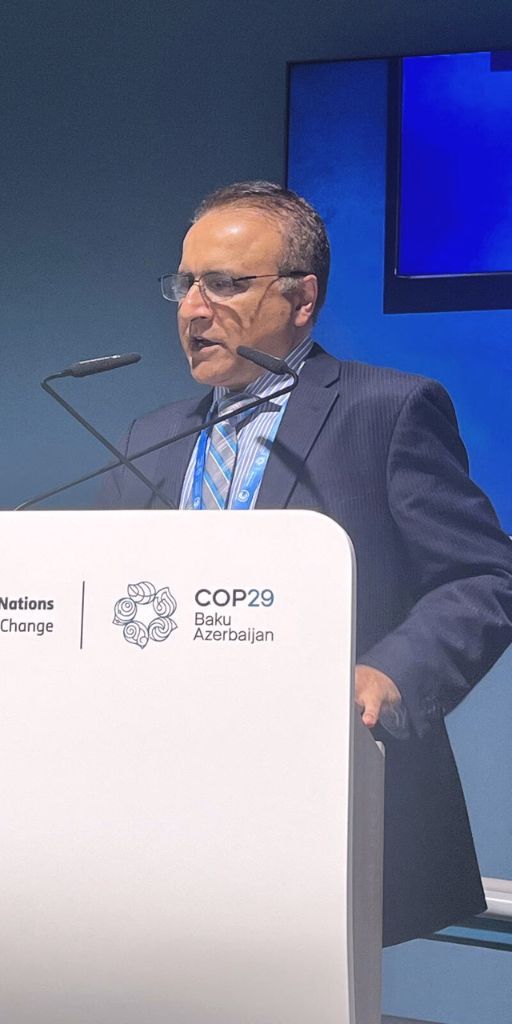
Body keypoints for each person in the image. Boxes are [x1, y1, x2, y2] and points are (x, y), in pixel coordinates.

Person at [99, 181, 512, 946]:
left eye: (224, 284)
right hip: (168, 804)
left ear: (302, 298)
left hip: (324, 797)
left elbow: (485, 577)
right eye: (185, 285)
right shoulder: (147, 436)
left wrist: (390, 673)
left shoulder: (385, 411)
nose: (194, 309)